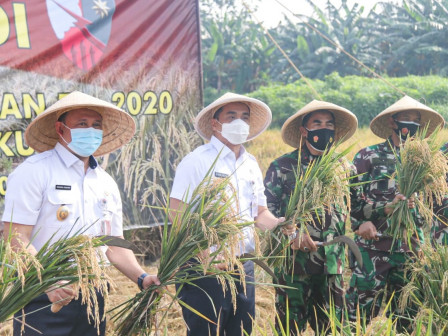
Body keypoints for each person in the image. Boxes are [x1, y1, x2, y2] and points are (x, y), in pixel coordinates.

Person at [2, 91, 160, 336]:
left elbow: (113, 245)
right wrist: (48, 281)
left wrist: (141, 277)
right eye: (82, 124)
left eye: (96, 125)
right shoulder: (34, 172)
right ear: (60, 129)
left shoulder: (105, 182)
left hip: (93, 297)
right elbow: (16, 237)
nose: (91, 131)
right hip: (43, 297)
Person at [169, 92, 288, 336]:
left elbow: (259, 214)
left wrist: (278, 224)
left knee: (242, 330)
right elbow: (176, 212)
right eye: (231, 116)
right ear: (215, 123)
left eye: (244, 117)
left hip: (242, 266)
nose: (239, 122)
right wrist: (203, 256)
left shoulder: (250, 163)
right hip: (204, 268)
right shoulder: (196, 162)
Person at [345, 95, 445, 328]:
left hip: (410, 249)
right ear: (393, 122)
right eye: (406, 119)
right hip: (372, 249)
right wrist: (360, 223)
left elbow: (434, 203)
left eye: (415, 121)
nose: (411, 125)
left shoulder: (425, 163)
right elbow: (349, 199)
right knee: (356, 319)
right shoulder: (368, 156)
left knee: (408, 320)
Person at [264, 100, 358, 334]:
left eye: (329, 124)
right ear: (304, 130)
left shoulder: (345, 168)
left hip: (332, 265)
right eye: (317, 123)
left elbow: (356, 208)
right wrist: (292, 232)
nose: (324, 128)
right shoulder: (282, 167)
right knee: (289, 329)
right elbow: (266, 212)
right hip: (294, 264)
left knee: (332, 329)